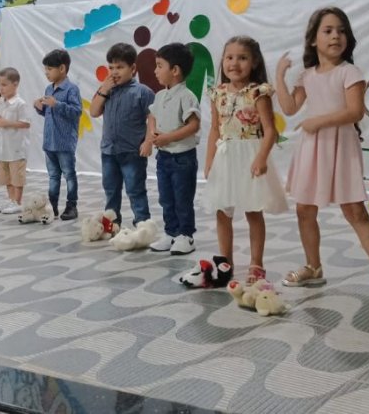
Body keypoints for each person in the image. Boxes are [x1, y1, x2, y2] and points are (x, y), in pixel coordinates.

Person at [276, 6, 369, 293]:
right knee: (304, 210)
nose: (335, 36)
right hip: (313, 149)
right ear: (313, 39)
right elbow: (289, 108)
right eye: (327, 31)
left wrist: (316, 121)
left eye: (341, 31)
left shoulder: (350, 72)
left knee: (355, 211)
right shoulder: (307, 75)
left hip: (340, 147)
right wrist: (279, 76)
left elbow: (354, 112)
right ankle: (313, 267)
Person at [203, 36, 288, 284]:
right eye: (229, 57)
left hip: (251, 156)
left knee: (253, 211)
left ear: (254, 62)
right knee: (222, 211)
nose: (234, 63)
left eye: (242, 58)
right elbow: (215, 130)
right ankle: (225, 261)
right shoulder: (217, 93)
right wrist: (209, 161)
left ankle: (256, 263)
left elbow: (271, 131)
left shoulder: (257, 92)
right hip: (226, 157)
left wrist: (262, 157)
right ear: (223, 61)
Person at [89, 43, 155, 227]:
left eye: (120, 67)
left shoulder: (143, 92)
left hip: (133, 151)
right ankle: (112, 222)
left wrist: (149, 141)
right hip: (109, 151)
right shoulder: (106, 90)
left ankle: (143, 224)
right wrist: (103, 90)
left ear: (133, 68)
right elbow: (93, 112)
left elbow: (152, 117)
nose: (114, 72)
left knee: (135, 190)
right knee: (110, 189)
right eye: (111, 67)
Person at [146, 43, 201, 255]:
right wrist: (152, 133)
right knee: (166, 197)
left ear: (175, 70)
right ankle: (171, 232)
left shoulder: (187, 96)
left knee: (182, 198)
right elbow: (152, 116)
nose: (155, 71)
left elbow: (193, 125)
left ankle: (186, 236)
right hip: (164, 158)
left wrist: (168, 137)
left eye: (159, 66)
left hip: (183, 158)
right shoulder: (160, 96)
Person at [34, 49, 82, 220]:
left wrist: (57, 104)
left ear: (62, 68)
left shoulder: (71, 89)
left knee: (69, 174)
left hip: (64, 142)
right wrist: (39, 107)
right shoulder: (49, 88)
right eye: (45, 69)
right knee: (53, 176)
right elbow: (48, 113)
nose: (46, 72)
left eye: (49, 69)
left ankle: (71, 206)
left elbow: (77, 112)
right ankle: (52, 206)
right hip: (49, 142)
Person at [0, 67, 30, 214]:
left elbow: (26, 123)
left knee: (17, 176)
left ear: (15, 84)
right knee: (6, 177)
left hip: (16, 147)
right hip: (2, 147)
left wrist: (7, 123)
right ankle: (11, 200)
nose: (0, 89)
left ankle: (18, 201)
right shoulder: (0, 102)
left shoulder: (20, 104)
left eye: (4, 85)